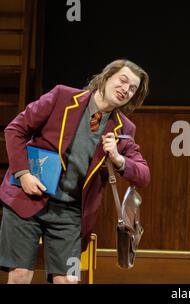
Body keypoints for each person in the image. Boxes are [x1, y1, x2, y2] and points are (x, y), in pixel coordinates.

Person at [0, 59, 150, 283]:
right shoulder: (62, 97)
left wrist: (119, 159)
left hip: (69, 214)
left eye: (132, 89)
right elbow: (15, 129)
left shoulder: (124, 129)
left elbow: (143, 175)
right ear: (107, 76)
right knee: (20, 275)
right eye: (123, 81)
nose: (125, 90)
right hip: (28, 197)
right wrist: (23, 174)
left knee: (68, 280)